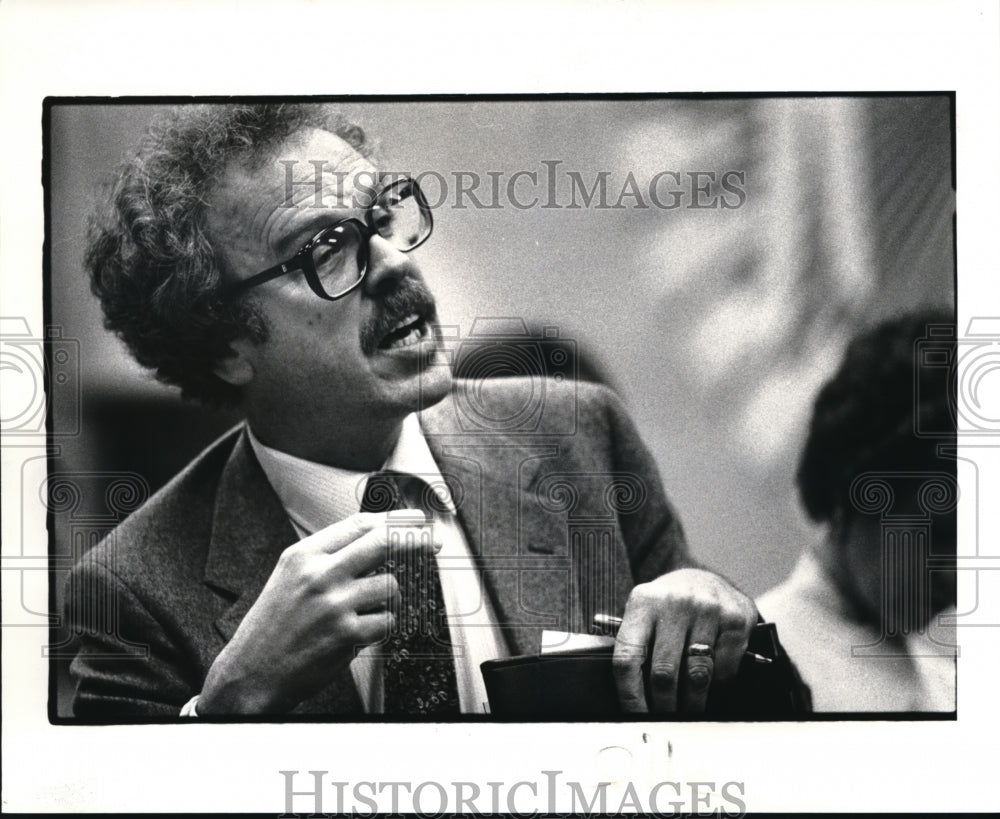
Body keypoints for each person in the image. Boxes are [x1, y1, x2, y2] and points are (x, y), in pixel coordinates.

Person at [66, 103, 757, 718]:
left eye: (383, 219)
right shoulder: (132, 592)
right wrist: (231, 707)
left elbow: (759, 725)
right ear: (225, 345)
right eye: (328, 249)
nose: (396, 263)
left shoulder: (577, 437)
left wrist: (726, 629)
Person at [756, 309, 957, 712]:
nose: (957, 574)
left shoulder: (950, 687)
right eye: (940, 533)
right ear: (857, 489)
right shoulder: (757, 666)